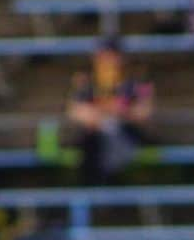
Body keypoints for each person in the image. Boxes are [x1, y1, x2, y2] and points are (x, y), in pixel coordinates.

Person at [66, 39, 154, 187]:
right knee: (100, 133)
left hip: (126, 134)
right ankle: (104, 181)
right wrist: (105, 112)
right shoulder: (86, 82)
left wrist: (119, 112)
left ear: (121, 58)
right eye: (101, 57)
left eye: (110, 56)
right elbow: (76, 112)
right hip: (96, 136)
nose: (106, 61)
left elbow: (145, 112)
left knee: (110, 128)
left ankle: (106, 179)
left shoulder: (138, 82)